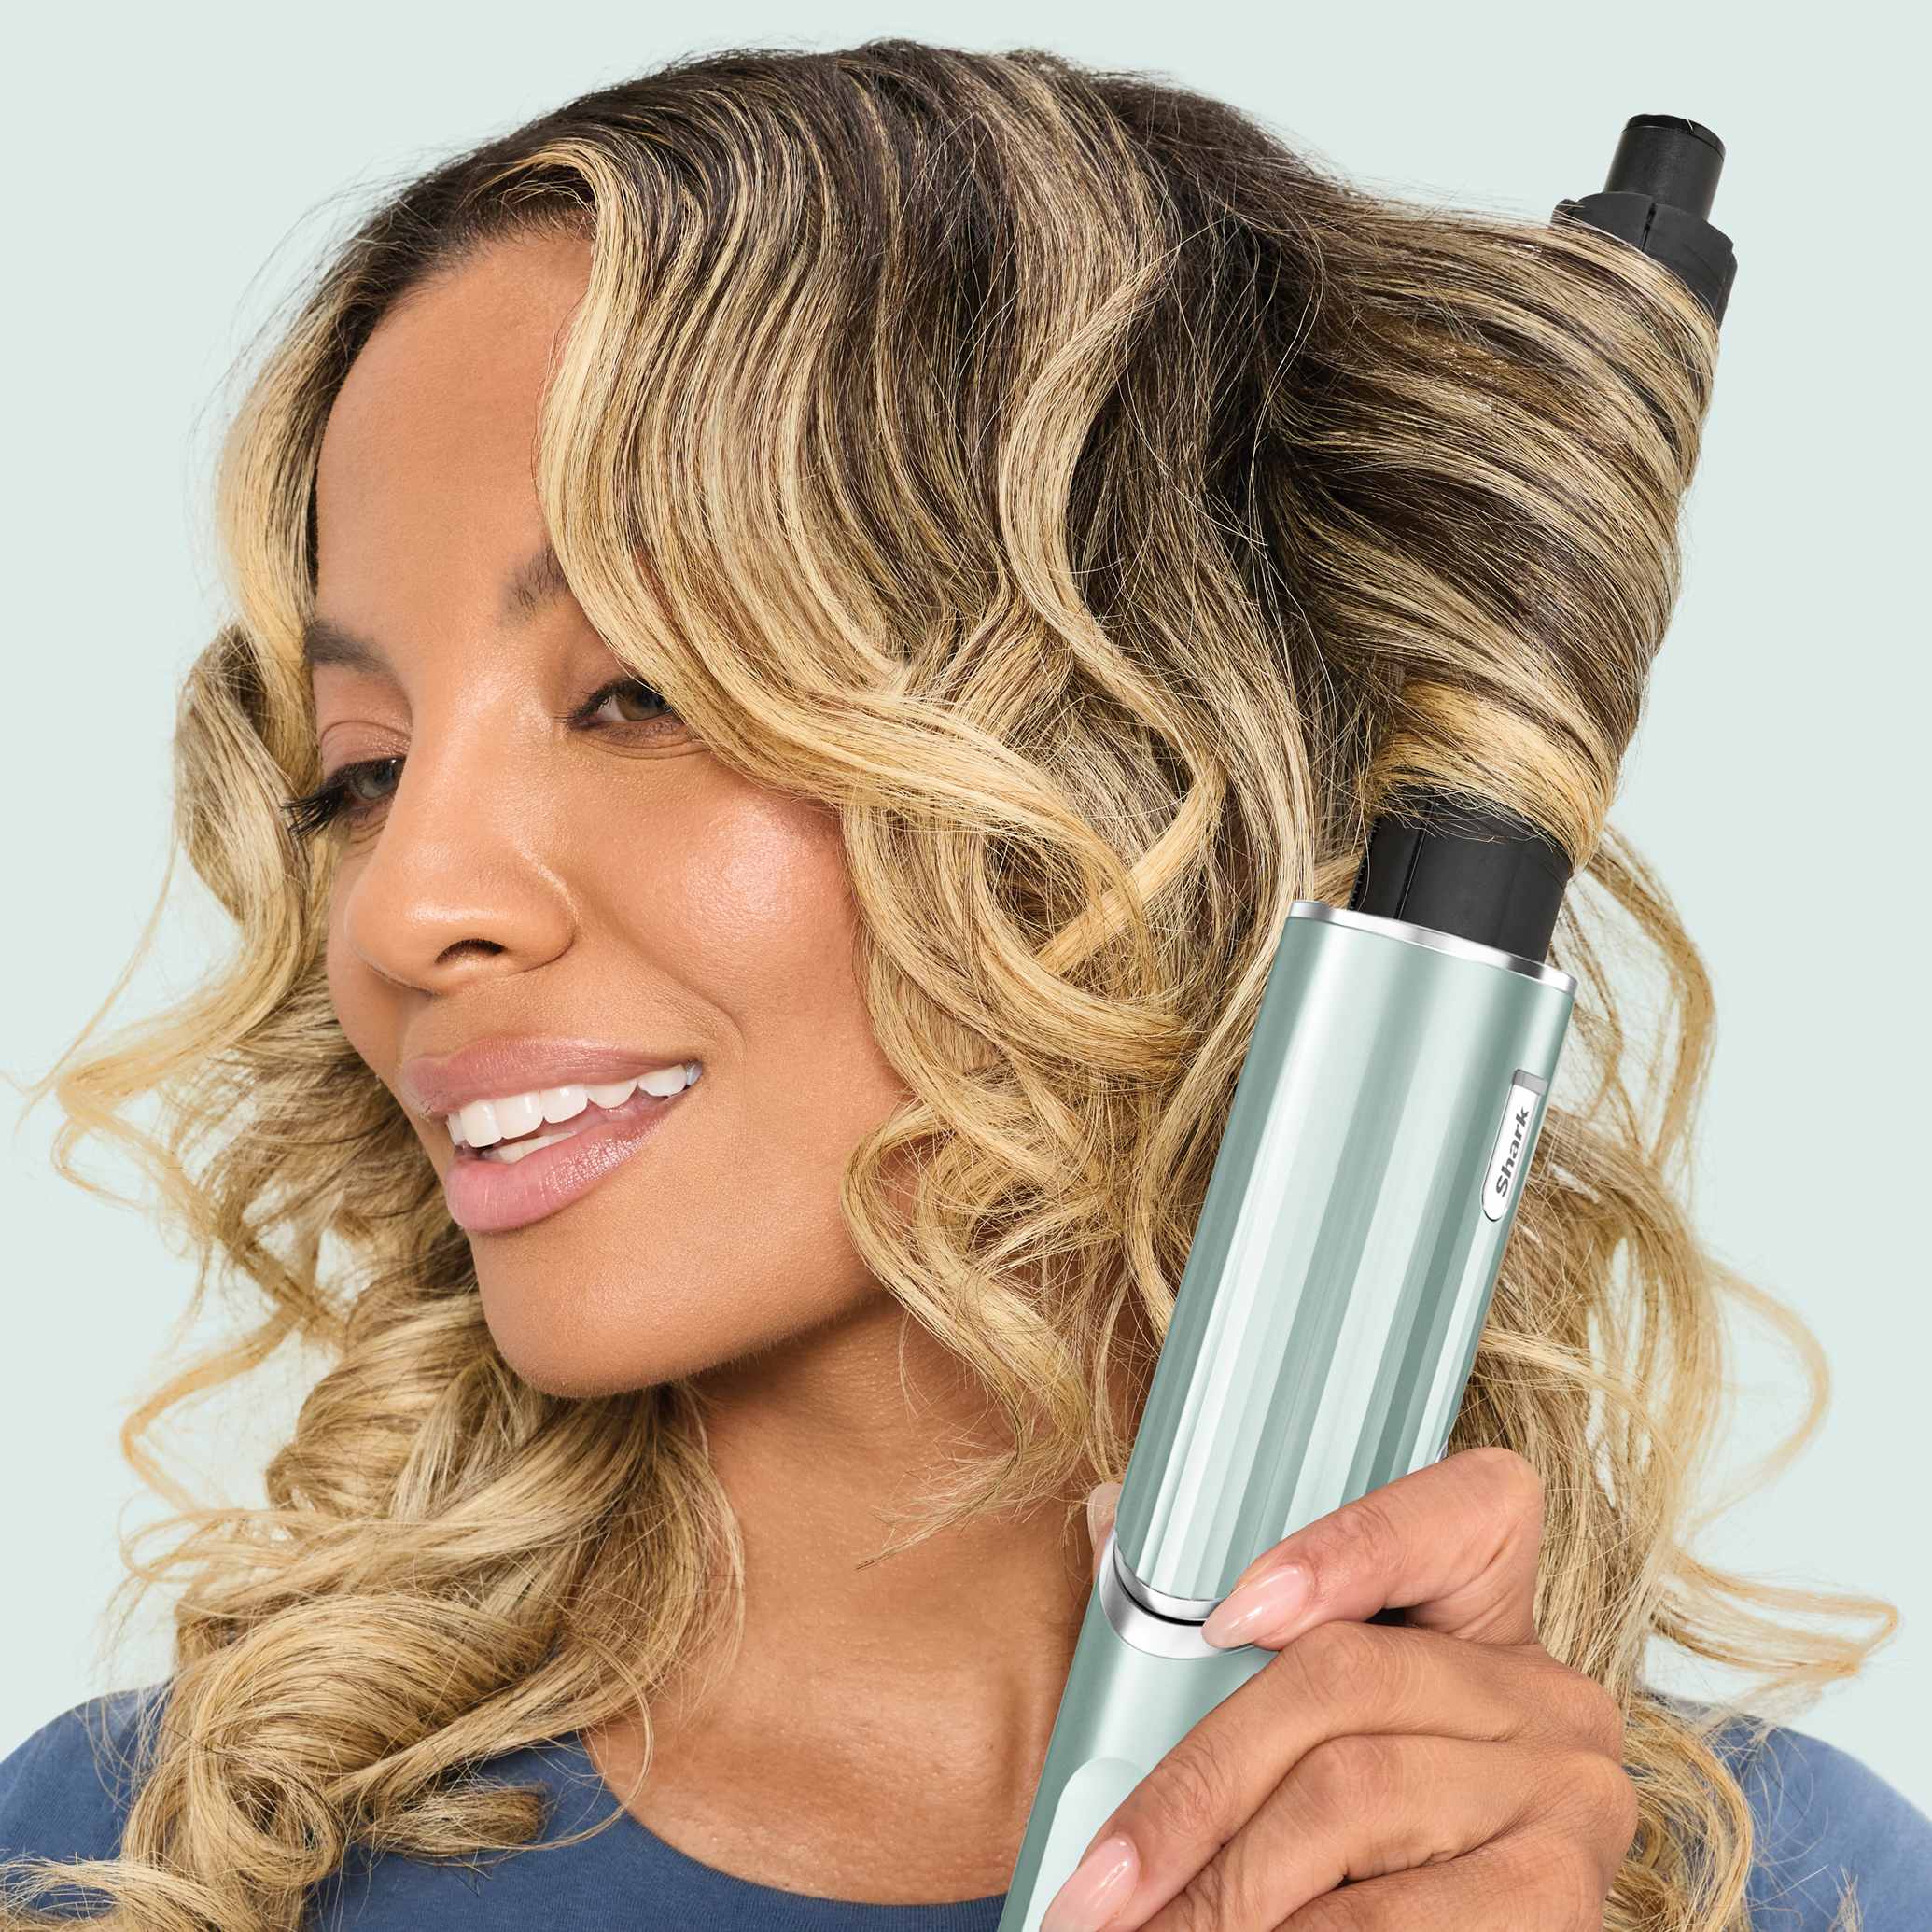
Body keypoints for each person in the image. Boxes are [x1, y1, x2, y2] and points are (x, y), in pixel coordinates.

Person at [5, 38, 1928, 1932]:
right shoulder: (138, 1859)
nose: (406, 905)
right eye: (359, 769)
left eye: (638, 693)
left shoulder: (1770, 1891)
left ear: (1144, 756)